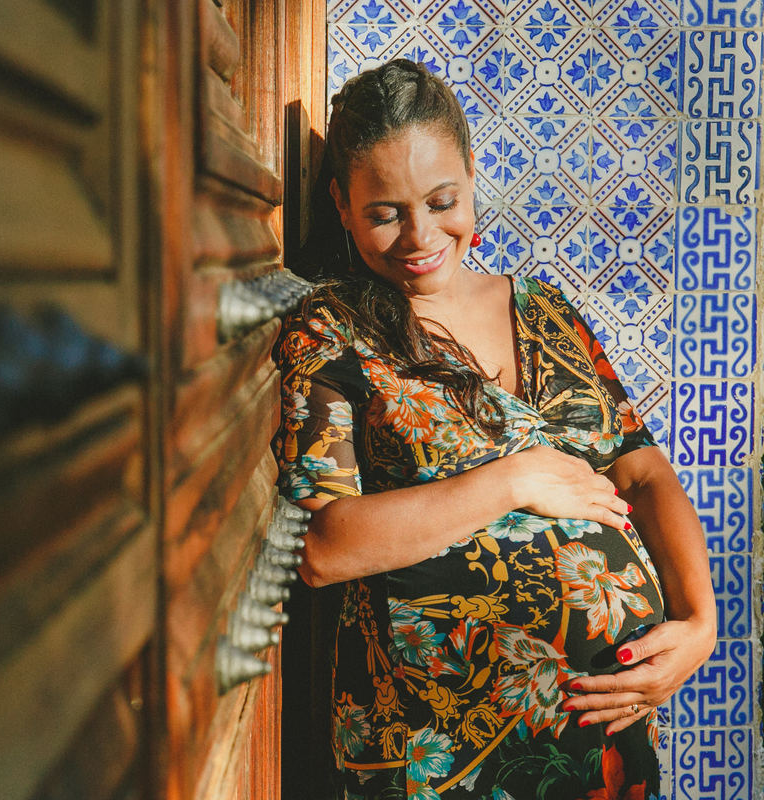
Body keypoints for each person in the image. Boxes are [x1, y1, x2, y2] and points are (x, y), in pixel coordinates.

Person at [273, 58, 715, 799]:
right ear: (341, 206)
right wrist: (514, 478)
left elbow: (641, 468)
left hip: (604, 741)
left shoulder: (545, 312)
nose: (419, 234)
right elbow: (326, 546)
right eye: (384, 212)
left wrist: (698, 625)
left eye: (442, 200)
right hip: (438, 753)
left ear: (473, 176)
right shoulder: (331, 331)